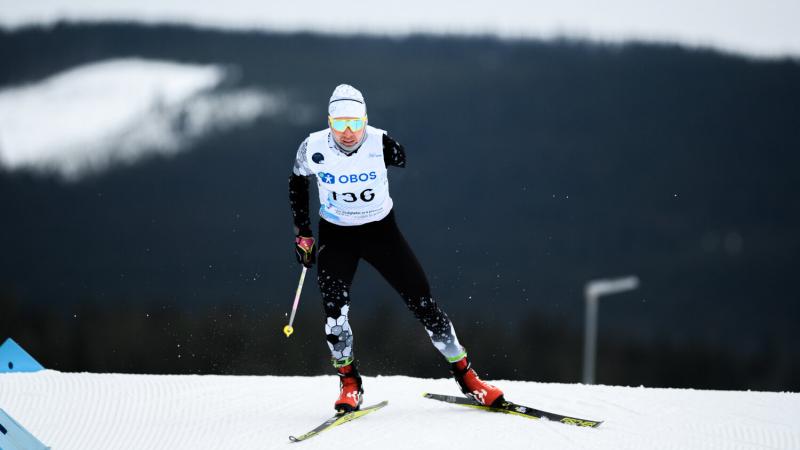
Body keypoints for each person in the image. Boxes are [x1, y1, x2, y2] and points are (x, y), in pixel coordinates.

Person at [288, 84, 504, 412]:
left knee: (424, 303)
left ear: (366, 121)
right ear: (328, 122)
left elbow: (407, 155)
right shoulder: (312, 147)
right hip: (337, 235)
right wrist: (303, 233)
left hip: (381, 233)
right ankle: (350, 383)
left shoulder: (382, 143)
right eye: (340, 125)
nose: (348, 133)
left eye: (356, 124)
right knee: (335, 316)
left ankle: (468, 378)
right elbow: (297, 181)